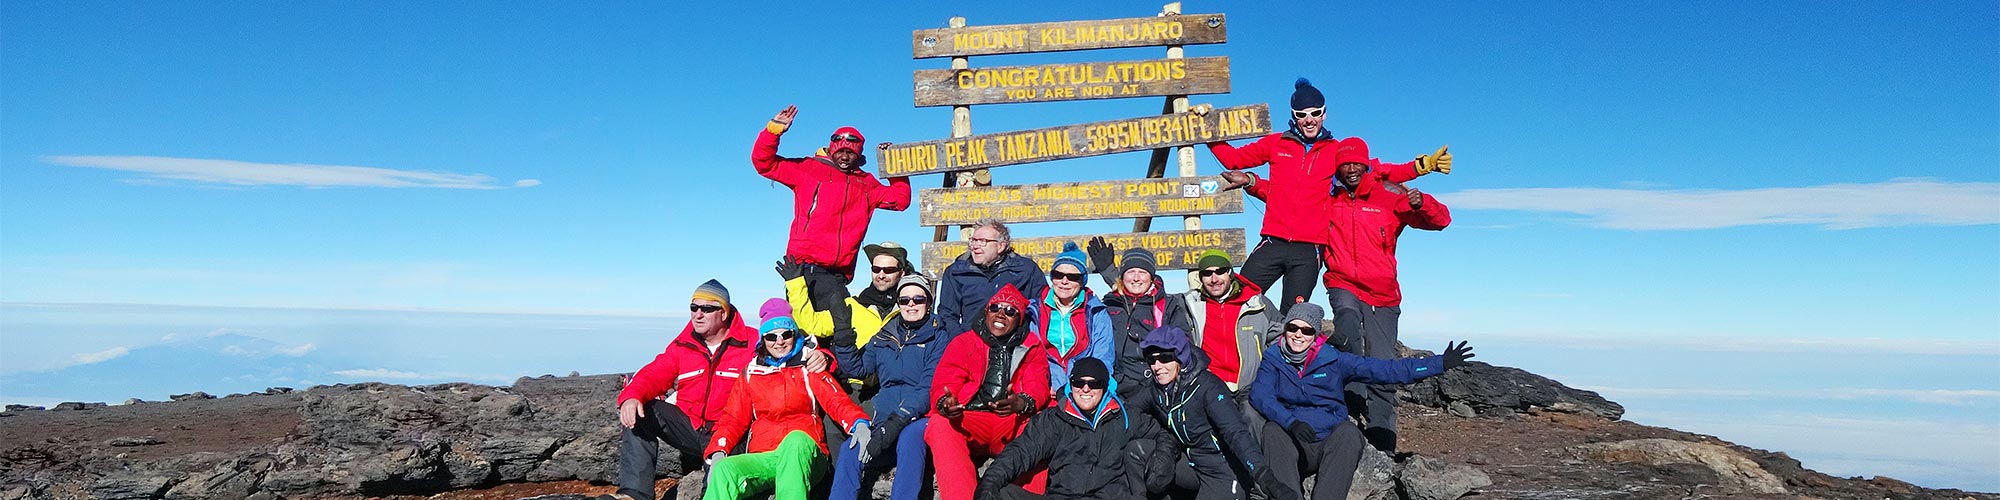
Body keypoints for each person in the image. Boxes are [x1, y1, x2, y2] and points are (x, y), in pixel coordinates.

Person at [1204, 78, 1448, 314]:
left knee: (1293, 315)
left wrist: (1421, 166)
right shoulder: (1276, 143)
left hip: (1309, 250)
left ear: (1324, 114)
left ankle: (1277, 356)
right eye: (1301, 114)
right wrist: (1207, 129)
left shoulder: (1336, 151)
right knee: (1237, 298)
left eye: (1315, 113)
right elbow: (1234, 159)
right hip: (1273, 241)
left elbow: (1379, 170)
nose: (1309, 120)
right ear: (1293, 116)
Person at [1250, 303, 1474, 500]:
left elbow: (1385, 370)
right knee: (1272, 431)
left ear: (1315, 334)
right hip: (1294, 442)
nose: (1298, 335)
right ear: (1286, 329)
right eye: (1292, 328)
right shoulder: (1273, 359)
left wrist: (1439, 363)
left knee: (1349, 433)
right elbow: (1261, 395)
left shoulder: (1333, 359)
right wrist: (1291, 423)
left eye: (1306, 330)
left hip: (1329, 441)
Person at [1318, 137, 1452, 453]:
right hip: (1342, 283)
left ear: (1365, 165)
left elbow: (1441, 221)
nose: (1350, 169)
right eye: (1344, 165)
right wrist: (1251, 183)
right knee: (1348, 334)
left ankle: (1382, 444)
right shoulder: (1330, 197)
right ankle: (1345, 419)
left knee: (1382, 366)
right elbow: (1288, 196)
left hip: (1382, 295)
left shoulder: (1389, 194)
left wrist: (1423, 203)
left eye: (1355, 164)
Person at [755, 105, 913, 347]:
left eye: (850, 152)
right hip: (802, 269)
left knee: (839, 334)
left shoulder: (866, 184)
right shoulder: (808, 170)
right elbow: (764, 163)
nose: (844, 156)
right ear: (831, 150)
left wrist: (893, 165)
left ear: (858, 155)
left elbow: (900, 200)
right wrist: (774, 130)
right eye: (840, 151)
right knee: (806, 335)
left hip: (837, 275)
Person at [608, 280, 759, 500]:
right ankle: (634, 494)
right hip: (690, 427)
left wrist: (820, 357)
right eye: (693, 308)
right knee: (642, 411)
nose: (698, 314)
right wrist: (632, 396)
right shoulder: (684, 344)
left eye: (707, 309)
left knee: (717, 487)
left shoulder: (751, 342)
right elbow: (655, 372)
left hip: (729, 433)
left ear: (724, 313)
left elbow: (788, 348)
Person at [700, 315, 872, 500]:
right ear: (763, 340)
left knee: (795, 440)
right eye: (771, 337)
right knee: (725, 470)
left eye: (786, 334)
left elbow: (836, 401)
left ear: (795, 335)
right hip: (766, 458)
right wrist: (718, 451)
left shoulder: (809, 367)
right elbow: (733, 418)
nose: (779, 342)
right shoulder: (751, 373)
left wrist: (859, 424)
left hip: (805, 456)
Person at [1126, 326, 1295, 500]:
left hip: (1223, 469)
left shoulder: (1208, 386)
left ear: (1180, 359)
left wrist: (1265, 477)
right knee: (1135, 451)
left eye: (1165, 358)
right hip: (1191, 463)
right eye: (1151, 360)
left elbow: (1236, 433)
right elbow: (1126, 411)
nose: (1157, 366)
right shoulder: (1157, 389)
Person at [827, 274, 954, 500]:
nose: (911, 305)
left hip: (921, 416)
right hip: (884, 419)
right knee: (851, 450)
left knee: (909, 438)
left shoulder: (939, 336)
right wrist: (844, 334)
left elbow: (928, 386)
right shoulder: (886, 335)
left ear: (929, 301)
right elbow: (858, 369)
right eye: (904, 300)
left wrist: (893, 425)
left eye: (918, 299)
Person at [926, 284, 1051, 500]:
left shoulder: (1032, 346)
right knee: (939, 424)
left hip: (1011, 422)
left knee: (1042, 428)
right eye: (995, 308)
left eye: (1010, 311)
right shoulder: (964, 342)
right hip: (971, 420)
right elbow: (946, 379)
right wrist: (947, 404)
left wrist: (1021, 402)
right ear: (986, 311)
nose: (1001, 314)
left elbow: (1038, 383)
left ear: (1019, 318)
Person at [975, 358, 1149, 500]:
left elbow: (1162, 436)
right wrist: (989, 484)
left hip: (1109, 497)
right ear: (1070, 385)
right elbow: (1020, 452)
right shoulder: (1055, 418)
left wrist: (1159, 471)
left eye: (1094, 383)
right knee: (1005, 494)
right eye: (1078, 383)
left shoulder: (1126, 417)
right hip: (1063, 496)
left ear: (1105, 387)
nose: (1085, 389)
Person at [1179, 249, 1283, 433]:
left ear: (1230, 273)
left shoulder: (1257, 303)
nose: (1214, 278)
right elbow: (1147, 292)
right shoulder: (1191, 304)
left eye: (1220, 271)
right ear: (1200, 278)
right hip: (1211, 384)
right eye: (1207, 273)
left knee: (1253, 419)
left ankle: (1258, 462)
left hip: (1250, 384)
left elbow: (1282, 337)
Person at [1084, 237, 1194, 400]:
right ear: (1122, 276)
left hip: (1156, 386)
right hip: (1116, 387)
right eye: (1130, 272)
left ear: (1151, 277)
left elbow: (1185, 345)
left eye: (1142, 272)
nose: (1136, 278)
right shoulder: (1109, 304)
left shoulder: (1168, 305)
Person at [779, 241, 915, 349]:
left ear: (901, 273)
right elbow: (811, 326)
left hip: (899, 383)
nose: (881, 275)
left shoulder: (912, 307)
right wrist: (795, 284)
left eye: (889, 270)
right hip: (857, 382)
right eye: (876, 269)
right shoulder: (853, 306)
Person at [1031, 242, 1117, 398]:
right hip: (1044, 391)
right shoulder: (1035, 311)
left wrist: (1076, 389)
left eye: (1073, 277)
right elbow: (1031, 356)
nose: (1064, 281)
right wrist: (1041, 387)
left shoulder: (1096, 312)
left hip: (1083, 391)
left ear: (1082, 281)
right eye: (1058, 275)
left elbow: (1103, 357)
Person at [937, 219, 1048, 334]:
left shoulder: (1026, 270)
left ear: (1001, 246)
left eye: (982, 241)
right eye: (973, 240)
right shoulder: (956, 272)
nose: (975, 246)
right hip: (972, 344)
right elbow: (947, 314)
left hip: (1015, 345)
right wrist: (959, 342)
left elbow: (1041, 308)